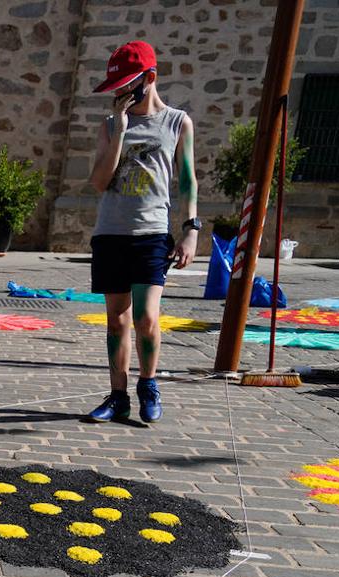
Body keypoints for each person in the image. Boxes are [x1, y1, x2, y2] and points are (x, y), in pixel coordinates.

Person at [84, 40, 197, 425]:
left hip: (151, 232)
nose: (119, 93)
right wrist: (118, 132)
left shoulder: (177, 122)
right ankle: (118, 396)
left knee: (147, 316)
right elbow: (99, 182)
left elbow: (187, 180)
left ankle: (148, 384)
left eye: (126, 85)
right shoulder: (110, 124)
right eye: (115, 87)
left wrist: (191, 230)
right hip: (111, 232)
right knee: (116, 320)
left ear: (149, 79)